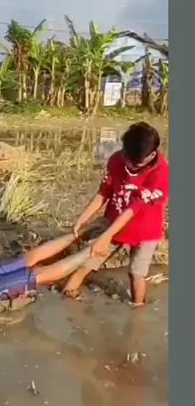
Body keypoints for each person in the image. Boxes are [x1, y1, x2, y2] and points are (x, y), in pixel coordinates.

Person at [62, 122, 168, 306]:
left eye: (136, 163)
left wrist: (105, 237)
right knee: (87, 263)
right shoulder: (117, 159)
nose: (129, 165)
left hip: (145, 230)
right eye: (126, 158)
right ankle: (66, 296)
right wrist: (83, 218)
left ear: (151, 156)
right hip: (114, 221)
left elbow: (133, 210)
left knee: (136, 274)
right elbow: (104, 192)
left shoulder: (160, 174)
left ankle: (138, 309)